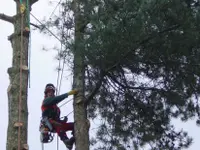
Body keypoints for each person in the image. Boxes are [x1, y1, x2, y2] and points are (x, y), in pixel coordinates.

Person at [41, 83, 78, 150]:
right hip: (48, 123)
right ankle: (67, 142)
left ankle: (76, 135)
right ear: (46, 94)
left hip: (56, 123)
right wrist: (68, 94)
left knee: (75, 125)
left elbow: (57, 119)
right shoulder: (46, 101)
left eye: (52, 92)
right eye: (49, 92)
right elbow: (55, 100)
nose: (50, 93)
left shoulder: (57, 109)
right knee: (57, 124)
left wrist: (63, 121)